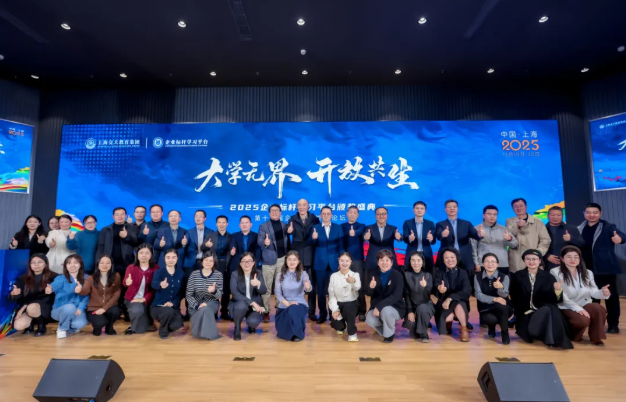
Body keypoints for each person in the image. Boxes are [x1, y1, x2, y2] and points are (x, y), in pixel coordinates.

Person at [576, 203, 625, 333]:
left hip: (605, 269)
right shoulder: (580, 228)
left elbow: (621, 236)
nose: (591, 215)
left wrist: (619, 239)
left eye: (595, 212)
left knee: (611, 297)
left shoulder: (608, 227)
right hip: (586, 269)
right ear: (584, 213)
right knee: (592, 298)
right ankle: (595, 324)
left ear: (600, 213)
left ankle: (613, 325)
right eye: (588, 212)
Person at [509, 249, 572, 349]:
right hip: (525, 314)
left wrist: (558, 290)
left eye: (534, 259)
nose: (531, 261)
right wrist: (513, 313)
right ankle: (551, 339)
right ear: (524, 261)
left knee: (548, 308)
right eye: (528, 259)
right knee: (548, 310)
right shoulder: (517, 276)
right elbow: (514, 297)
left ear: (539, 261)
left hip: (543, 313)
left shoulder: (548, 277)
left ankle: (551, 340)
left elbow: (557, 300)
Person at [550, 246, 610, 345]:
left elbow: (593, 291)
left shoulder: (587, 272)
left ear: (580, 259)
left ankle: (596, 338)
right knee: (583, 320)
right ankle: (573, 335)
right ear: (562, 258)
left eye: (576, 257)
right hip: (566, 306)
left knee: (599, 309)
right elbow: (561, 295)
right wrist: (577, 308)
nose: (573, 260)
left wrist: (603, 292)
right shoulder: (555, 272)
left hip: (583, 303)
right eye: (569, 257)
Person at [96, 207, 138, 320]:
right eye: (117, 214)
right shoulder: (105, 230)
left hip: (126, 264)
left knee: (126, 288)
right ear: (113, 216)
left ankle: (126, 312)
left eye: (122, 214)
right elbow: (100, 247)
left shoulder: (132, 227)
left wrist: (127, 236)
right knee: (111, 288)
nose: (119, 216)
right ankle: (113, 311)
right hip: (110, 265)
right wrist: (99, 262)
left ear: (125, 216)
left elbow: (136, 241)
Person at [308, 206, 345, 324]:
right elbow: (310, 244)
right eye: (323, 214)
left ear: (331, 215)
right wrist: (313, 239)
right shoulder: (315, 227)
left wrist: (341, 262)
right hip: (320, 263)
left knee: (334, 291)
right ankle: (322, 314)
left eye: (328, 213)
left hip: (334, 263)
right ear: (321, 215)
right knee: (321, 291)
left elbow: (341, 246)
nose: (326, 215)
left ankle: (334, 314)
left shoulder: (338, 227)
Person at [288, 199, 320, 321]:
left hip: (311, 255)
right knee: (295, 285)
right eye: (299, 205)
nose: (301, 207)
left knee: (311, 286)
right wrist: (288, 232)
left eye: (304, 205)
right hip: (297, 256)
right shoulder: (292, 219)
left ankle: (311, 312)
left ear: (308, 206)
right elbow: (288, 234)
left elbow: (317, 236)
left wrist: (314, 238)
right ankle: (295, 310)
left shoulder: (315, 219)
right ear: (297, 207)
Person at [10, 254, 57, 336]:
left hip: (44, 306)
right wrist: (13, 294)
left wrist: (53, 289)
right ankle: (31, 323)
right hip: (27, 306)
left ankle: (41, 325)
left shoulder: (54, 277)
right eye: (33, 263)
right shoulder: (22, 278)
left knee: (32, 308)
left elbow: (50, 297)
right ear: (30, 265)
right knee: (18, 326)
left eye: (40, 262)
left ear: (45, 264)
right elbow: (18, 297)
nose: (36, 264)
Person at [435, 200, 484, 278]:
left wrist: (479, 234)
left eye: (454, 207)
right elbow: (438, 236)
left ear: (457, 208)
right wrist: (442, 234)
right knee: (446, 278)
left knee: (467, 278)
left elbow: (475, 235)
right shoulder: (440, 224)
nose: (452, 208)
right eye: (449, 207)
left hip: (465, 256)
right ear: (445, 209)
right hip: (448, 257)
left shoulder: (466, 223)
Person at [365, 249, 406, 343]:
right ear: (378, 263)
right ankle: (386, 330)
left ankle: (389, 335)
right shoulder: (373, 274)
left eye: (387, 260)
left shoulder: (398, 276)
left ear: (391, 262)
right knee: (369, 319)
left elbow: (396, 296)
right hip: (377, 307)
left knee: (386, 311)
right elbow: (368, 293)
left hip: (395, 307)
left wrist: (379, 307)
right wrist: (370, 288)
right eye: (381, 260)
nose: (384, 263)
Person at [258, 204, 290, 322]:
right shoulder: (263, 226)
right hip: (268, 260)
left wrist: (290, 232)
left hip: (282, 259)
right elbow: (259, 241)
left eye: (277, 210)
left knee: (280, 287)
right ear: (269, 212)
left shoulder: (285, 226)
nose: (274, 212)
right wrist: (265, 243)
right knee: (266, 287)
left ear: (280, 212)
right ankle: (266, 311)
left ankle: (279, 309)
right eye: (272, 210)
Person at [46, 254, 89, 338]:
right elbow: (54, 285)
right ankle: (62, 328)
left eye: (75, 263)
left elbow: (87, 296)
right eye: (69, 263)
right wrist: (50, 288)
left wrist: (80, 308)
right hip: (60, 310)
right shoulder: (61, 278)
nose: (72, 265)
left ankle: (70, 327)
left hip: (77, 310)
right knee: (70, 307)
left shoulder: (86, 278)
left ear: (80, 265)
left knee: (80, 324)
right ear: (65, 266)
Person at [78, 255, 121, 336]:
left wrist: (104, 309)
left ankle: (109, 326)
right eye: (102, 263)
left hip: (109, 306)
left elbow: (116, 294)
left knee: (115, 311)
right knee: (99, 323)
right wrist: (79, 290)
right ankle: (97, 327)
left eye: (108, 263)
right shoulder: (91, 278)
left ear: (111, 265)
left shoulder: (116, 276)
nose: (105, 265)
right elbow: (85, 291)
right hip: (94, 308)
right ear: (97, 264)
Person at [434, 248, 472, 342]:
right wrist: (439, 288)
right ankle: (448, 324)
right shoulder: (439, 272)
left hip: (458, 302)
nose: (450, 260)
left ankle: (464, 329)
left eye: (452, 257)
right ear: (443, 260)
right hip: (444, 304)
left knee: (459, 304)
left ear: (457, 258)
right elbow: (435, 286)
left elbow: (466, 291)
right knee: (447, 317)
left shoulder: (463, 272)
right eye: (446, 258)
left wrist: (450, 298)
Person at [474, 253, 513, 344]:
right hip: (486, 308)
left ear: (497, 264)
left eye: (493, 262)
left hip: (503, 308)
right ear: (483, 264)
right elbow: (478, 295)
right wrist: (495, 299)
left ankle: (505, 333)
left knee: (501, 306)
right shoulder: (477, 276)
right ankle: (491, 327)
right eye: (487, 261)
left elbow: (504, 295)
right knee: (491, 318)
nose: (490, 264)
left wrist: (500, 287)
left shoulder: (504, 276)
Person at [274, 250, 313, 342]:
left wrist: (308, 287)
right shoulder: (280, 275)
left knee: (293, 310)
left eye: (294, 260)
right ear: (286, 261)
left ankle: (298, 334)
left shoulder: (303, 274)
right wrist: (288, 304)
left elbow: (309, 288)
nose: (292, 262)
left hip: (299, 303)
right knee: (281, 330)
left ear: (298, 261)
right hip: (284, 304)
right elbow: (277, 293)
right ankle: (291, 331)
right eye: (289, 259)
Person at [506, 198, 551, 273]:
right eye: (515, 206)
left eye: (521, 206)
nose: (518, 208)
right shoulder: (509, 221)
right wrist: (517, 226)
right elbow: (509, 237)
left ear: (526, 207)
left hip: (534, 260)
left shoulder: (537, 222)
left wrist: (538, 252)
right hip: (516, 261)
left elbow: (545, 240)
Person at [470, 205, 518, 276]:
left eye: (495, 214)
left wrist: (510, 239)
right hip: (483, 264)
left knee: (503, 283)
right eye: (489, 214)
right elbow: (473, 249)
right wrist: (476, 263)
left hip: (501, 264)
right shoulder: (476, 229)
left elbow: (514, 245)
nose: (492, 216)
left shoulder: (503, 229)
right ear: (483, 215)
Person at [186, 251, 223, 340]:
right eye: (206, 260)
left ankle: (206, 334)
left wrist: (214, 291)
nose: (208, 263)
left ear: (214, 263)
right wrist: (197, 305)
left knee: (206, 308)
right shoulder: (194, 274)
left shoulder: (218, 275)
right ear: (202, 261)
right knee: (204, 309)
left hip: (212, 302)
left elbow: (220, 294)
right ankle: (202, 332)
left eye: (211, 261)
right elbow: (188, 294)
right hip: (196, 303)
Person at [200, 215, 232, 320]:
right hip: (213, 265)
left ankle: (224, 312)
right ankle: (213, 311)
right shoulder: (210, 235)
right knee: (212, 288)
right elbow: (202, 248)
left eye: (223, 222)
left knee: (226, 290)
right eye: (219, 222)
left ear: (227, 224)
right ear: (216, 224)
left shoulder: (231, 236)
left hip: (226, 265)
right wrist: (206, 245)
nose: (221, 224)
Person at [229, 252, 267, 340]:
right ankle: (237, 328)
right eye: (244, 261)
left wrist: (258, 284)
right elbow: (235, 294)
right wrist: (252, 302)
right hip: (240, 304)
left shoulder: (258, 273)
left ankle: (251, 325)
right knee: (241, 305)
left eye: (249, 261)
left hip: (255, 305)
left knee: (253, 322)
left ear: (253, 263)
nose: (246, 263)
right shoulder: (235, 274)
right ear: (240, 263)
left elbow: (264, 291)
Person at [123, 244, 158, 335]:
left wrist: (144, 298)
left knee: (143, 327)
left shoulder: (156, 268)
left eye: (147, 253)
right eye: (141, 253)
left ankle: (147, 321)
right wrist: (127, 282)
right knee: (138, 317)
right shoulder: (131, 267)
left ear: (151, 255)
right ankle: (132, 326)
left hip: (148, 300)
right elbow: (125, 282)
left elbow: (155, 289)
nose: (144, 255)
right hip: (133, 299)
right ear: (137, 255)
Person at [151, 249, 186, 339]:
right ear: (164, 259)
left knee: (178, 324)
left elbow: (182, 292)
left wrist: (173, 303)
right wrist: (160, 284)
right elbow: (153, 284)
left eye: (173, 257)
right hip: (158, 306)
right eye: (168, 257)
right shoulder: (159, 272)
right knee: (168, 311)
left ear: (177, 258)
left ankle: (166, 324)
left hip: (173, 306)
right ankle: (163, 331)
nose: (171, 260)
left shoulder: (181, 273)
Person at [340, 205, 367, 321]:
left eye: (354, 212)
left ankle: (362, 311)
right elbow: (340, 242)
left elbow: (360, 232)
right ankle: (345, 311)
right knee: (343, 285)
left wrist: (354, 233)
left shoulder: (361, 226)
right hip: (344, 260)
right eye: (350, 212)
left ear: (358, 215)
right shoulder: (342, 226)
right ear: (347, 214)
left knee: (358, 286)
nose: (352, 214)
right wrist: (341, 258)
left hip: (357, 260)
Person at [402, 251, 434, 342]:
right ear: (410, 262)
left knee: (422, 308)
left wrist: (426, 286)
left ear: (422, 262)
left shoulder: (428, 275)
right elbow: (406, 295)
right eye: (413, 260)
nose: (416, 263)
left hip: (426, 305)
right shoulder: (406, 275)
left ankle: (424, 333)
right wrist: (410, 311)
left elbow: (430, 295)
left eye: (418, 260)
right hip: (412, 305)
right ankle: (417, 328)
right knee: (410, 324)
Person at [328, 252, 361, 342]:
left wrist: (353, 281)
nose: (344, 263)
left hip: (352, 303)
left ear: (351, 262)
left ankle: (352, 333)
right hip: (338, 303)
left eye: (347, 261)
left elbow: (358, 287)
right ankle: (342, 325)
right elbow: (332, 295)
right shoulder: (333, 276)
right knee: (338, 326)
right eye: (342, 260)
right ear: (338, 261)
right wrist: (335, 309)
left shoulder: (355, 275)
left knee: (348, 309)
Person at [364, 207, 402, 273]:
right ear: (375, 216)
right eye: (378, 214)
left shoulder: (393, 228)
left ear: (387, 215)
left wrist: (399, 237)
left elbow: (400, 237)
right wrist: (366, 237)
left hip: (388, 257)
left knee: (391, 277)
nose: (381, 216)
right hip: (373, 258)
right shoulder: (369, 228)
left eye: (383, 214)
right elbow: (364, 236)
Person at [403, 201, 437, 274]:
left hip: (426, 252)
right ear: (413, 210)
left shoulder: (430, 223)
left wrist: (431, 239)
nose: (419, 210)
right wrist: (409, 238)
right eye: (417, 208)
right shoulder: (407, 223)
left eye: (422, 208)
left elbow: (434, 241)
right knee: (409, 273)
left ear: (425, 211)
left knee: (429, 272)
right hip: (411, 251)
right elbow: (405, 238)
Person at [183, 210, 213, 284]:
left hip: (204, 261)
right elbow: (185, 245)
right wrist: (183, 243)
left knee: (203, 283)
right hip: (190, 261)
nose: (198, 218)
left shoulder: (211, 232)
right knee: (189, 283)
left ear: (205, 218)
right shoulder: (189, 232)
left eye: (200, 216)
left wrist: (208, 245)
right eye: (196, 216)